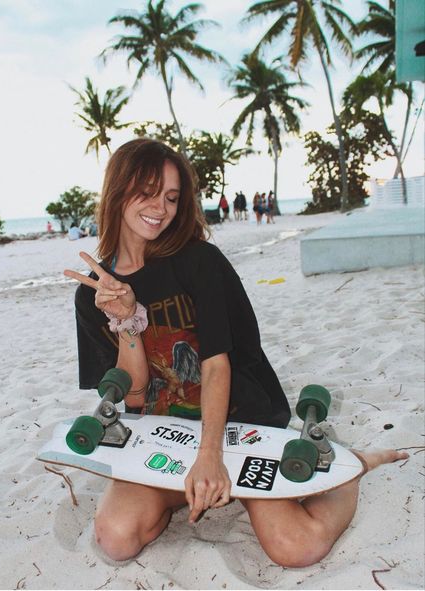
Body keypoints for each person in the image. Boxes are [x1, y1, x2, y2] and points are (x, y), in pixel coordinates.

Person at [64, 138, 407, 567]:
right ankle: (193, 492)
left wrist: (210, 458)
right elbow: (132, 399)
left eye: (171, 197)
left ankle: (349, 466)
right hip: (162, 433)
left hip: (238, 420)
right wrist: (128, 322)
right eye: (147, 192)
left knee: (297, 546)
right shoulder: (91, 294)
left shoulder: (197, 260)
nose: (161, 207)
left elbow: (215, 364)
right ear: (117, 191)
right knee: (116, 538)